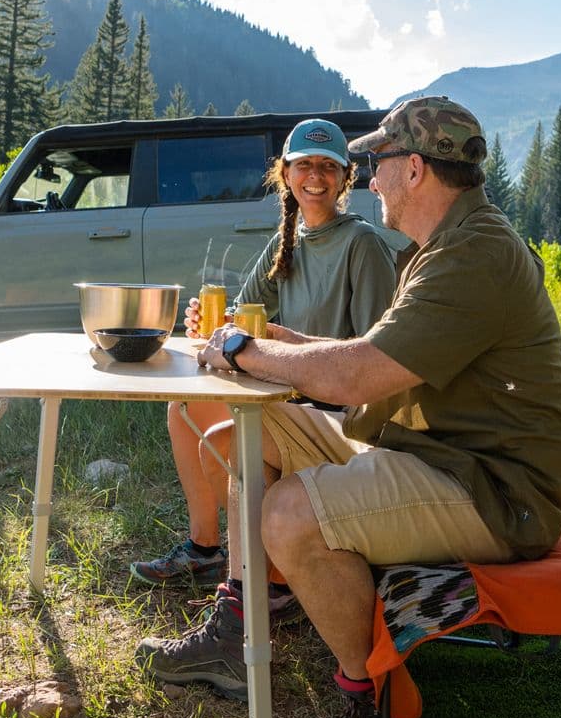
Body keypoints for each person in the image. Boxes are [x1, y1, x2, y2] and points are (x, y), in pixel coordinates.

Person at [146, 95, 561, 718]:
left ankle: (378, 713)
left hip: (494, 488)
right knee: (248, 435)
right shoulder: (443, 245)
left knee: (290, 514)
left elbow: (358, 376)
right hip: (433, 453)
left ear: (415, 168)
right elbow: (366, 359)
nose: (367, 178)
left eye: (375, 163)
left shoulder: (477, 256)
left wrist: (247, 348)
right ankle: (240, 621)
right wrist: (278, 337)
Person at [128, 119, 400, 607]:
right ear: (285, 173)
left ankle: (274, 584)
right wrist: (209, 323)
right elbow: (241, 317)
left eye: (327, 166)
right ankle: (204, 547)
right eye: (303, 165)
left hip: (338, 408)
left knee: (231, 438)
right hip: (289, 390)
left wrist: (277, 349)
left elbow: (374, 357)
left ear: (345, 178)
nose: (314, 176)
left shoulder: (362, 244)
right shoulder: (286, 243)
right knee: (183, 406)